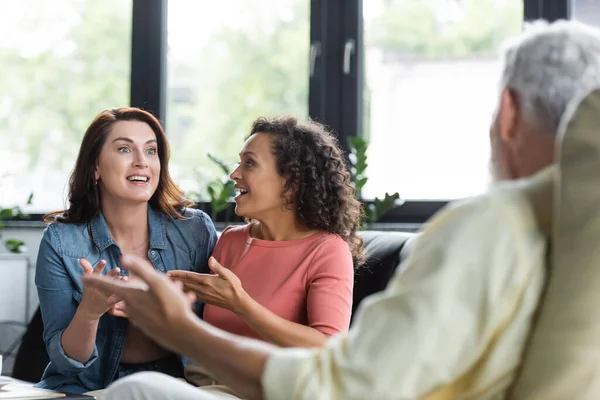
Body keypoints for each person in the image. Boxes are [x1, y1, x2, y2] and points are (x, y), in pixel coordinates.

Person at [87, 20, 600, 399]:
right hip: (215, 382)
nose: (234, 175)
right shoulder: (569, 240)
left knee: (140, 394)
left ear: (507, 111)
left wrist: (187, 327)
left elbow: (341, 379)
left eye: (249, 162)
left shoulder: (487, 229)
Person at [166, 117, 362, 390]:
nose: (235, 174)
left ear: (291, 182)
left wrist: (241, 305)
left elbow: (327, 346)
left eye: (249, 163)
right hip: (205, 384)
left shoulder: (327, 250)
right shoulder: (231, 241)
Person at [34, 107, 217, 394]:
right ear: (95, 166)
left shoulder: (194, 230)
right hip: (91, 387)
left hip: (180, 381)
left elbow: (217, 331)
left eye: (151, 151)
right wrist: (90, 312)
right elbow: (68, 363)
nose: (142, 162)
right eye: (124, 149)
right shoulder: (60, 241)